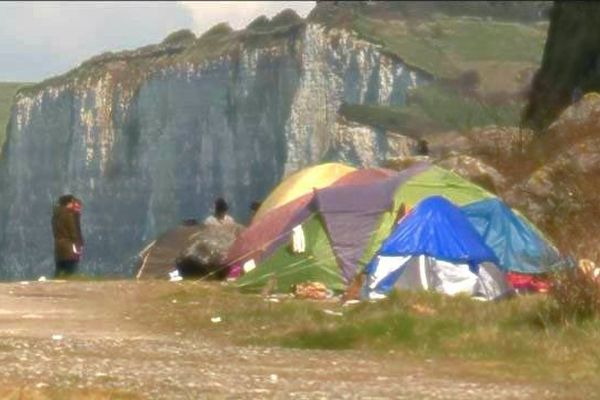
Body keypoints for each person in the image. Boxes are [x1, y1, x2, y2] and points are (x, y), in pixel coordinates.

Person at [52, 194, 84, 278]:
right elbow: (74, 232)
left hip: (58, 249)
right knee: (71, 274)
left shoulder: (55, 215)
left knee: (59, 273)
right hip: (69, 249)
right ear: (68, 203)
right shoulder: (69, 215)